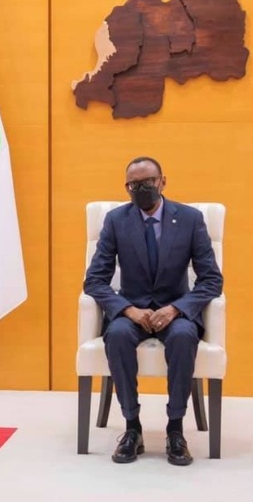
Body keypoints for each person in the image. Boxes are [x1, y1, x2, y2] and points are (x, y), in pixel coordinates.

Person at [83, 157, 223, 466]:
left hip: (175, 311)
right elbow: (94, 280)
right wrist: (126, 309)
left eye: (148, 182)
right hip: (132, 311)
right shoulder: (116, 220)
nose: (141, 189)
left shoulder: (190, 219)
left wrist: (176, 309)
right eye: (133, 185)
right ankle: (132, 428)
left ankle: (175, 429)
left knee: (184, 336)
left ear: (162, 182)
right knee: (117, 335)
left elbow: (212, 280)